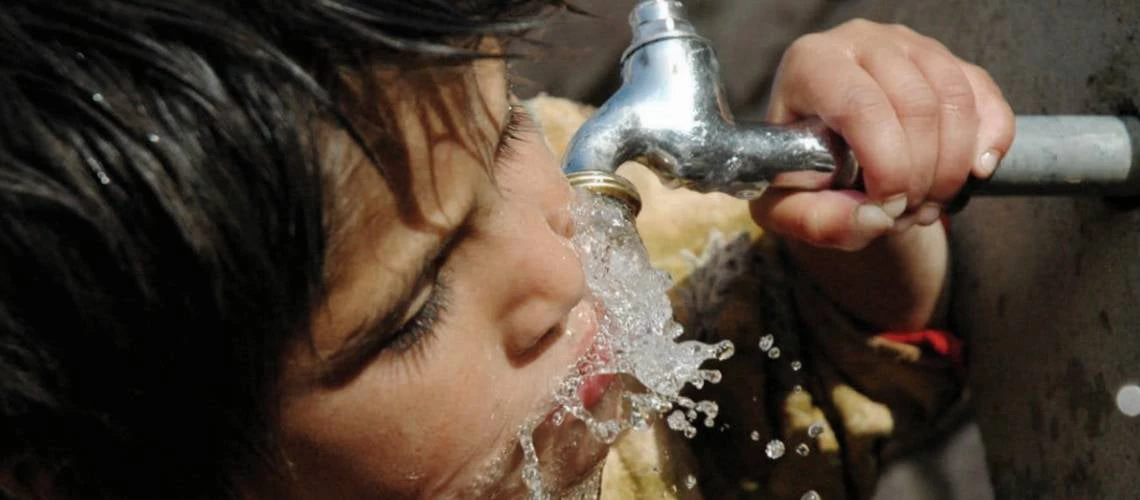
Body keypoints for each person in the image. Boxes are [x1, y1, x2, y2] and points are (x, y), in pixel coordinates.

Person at [0, 1, 1013, 499]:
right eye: (413, 313)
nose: (561, 266)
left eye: (504, 129)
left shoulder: (606, 218)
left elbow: (817, 370)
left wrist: (855, 225)